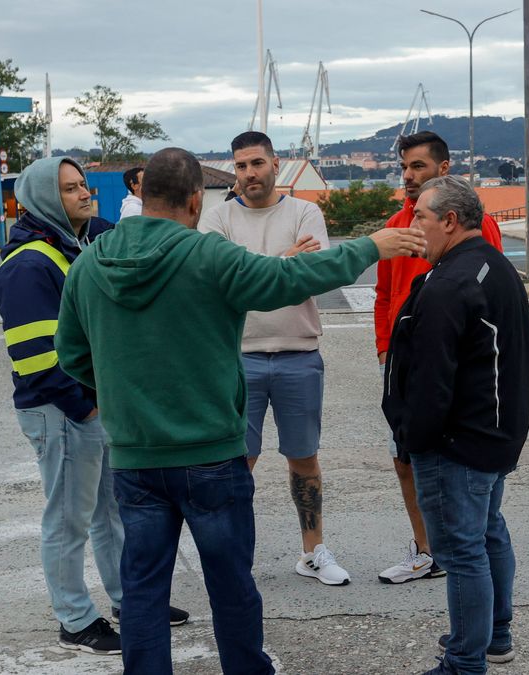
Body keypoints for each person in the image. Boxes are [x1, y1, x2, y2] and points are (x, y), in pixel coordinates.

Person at [55, 148, 425, 674]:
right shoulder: (208, 256)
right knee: (231, 586)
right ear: (192, 201)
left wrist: (125, 394)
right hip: (211, 455)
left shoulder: (89, 263)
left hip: (135, 459)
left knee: (141, 590)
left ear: (140, 195)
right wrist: (371, 246)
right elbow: (290, 281)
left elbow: (71, 355)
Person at [0, 157, 188, 657]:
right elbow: (35, 357)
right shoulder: (30, 263)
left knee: (108, 513)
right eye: (70, 189)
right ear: (42, 199)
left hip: (83, 407)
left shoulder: (70, 244)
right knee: (68, 519)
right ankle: (75, 619)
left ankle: (129, 600)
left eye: (84, 185)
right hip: (60, 409)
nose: (84, 194)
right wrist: (86, 406)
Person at [381, 176, 529, 675]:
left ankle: (466, 662)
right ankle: (494, 636)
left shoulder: (449, 284)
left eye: (420, 217)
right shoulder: (495, 266)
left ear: (449, 221)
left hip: (457, 441)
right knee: (487, 533)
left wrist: (411, 440)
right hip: (494, 433)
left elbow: (431, 379)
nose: (413, 225)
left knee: (461, 549)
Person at [198, 131, 348, 586]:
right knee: (237, 464)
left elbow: (315, 276)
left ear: (275, 164)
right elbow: (219, 282)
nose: (249, 174)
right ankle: (234, 558)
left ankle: (313, 551)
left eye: (257, 163)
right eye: (241, 166)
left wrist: (253, 267)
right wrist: (286, 260)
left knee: (304, 458)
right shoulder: (216, 217)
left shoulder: (305, 212)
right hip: (238, 358)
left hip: (298, 354)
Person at [374, 130, 504, 585]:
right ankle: (426, 546)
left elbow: (488, 293)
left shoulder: (469, 224)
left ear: (443, 168)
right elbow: (385, 293)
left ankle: (459, 545)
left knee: (450, 461)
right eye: (405, 167)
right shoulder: (396, 223)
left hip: (450, 367)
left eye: (419, 167)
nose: (408, 176)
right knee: (403, 456)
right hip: (405, 363)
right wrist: (386, 348)